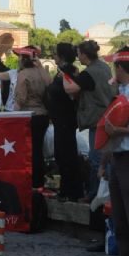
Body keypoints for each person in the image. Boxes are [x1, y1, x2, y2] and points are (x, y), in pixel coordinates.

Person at [72, 39, 114, 201]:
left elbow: (71, 89)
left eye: (79, 54)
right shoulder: (104, 67)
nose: (78, 57)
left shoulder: (88, 73)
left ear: (83, 54)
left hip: (97, 119)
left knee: (96, 159)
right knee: (105, 159)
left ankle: (94, 194)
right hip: (108, 116)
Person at [101, 48, 129, 256]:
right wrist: (104, 162)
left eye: (115, 67)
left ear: (120, 68)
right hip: (118, 159)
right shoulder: (120, 92)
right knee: (120, 220)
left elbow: (116, 130)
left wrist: (119, 131)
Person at [46, 42, 84, 201]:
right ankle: (70, 189)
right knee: (64, 154)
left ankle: (70, 191)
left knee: (65, 155)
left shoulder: (67, 72)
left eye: (55, 53)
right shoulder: (64, 71)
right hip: (61, 119)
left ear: (61, 56)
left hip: (64, 120)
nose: (53, 56)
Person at [13, 45, 51, 189]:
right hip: (44, 116)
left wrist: (12, 117)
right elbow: (49, 85)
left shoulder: (23, 75)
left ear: (23, 59)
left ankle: (32, 182)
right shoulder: (43, 73)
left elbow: (20, 100)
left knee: (30, 151)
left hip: (30, 116)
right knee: (38, 150)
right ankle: (39, 181)